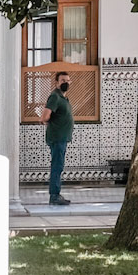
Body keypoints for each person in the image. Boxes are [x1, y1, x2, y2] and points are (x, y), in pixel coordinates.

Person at [42, 70, 75, 205]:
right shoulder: (55, 97)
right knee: (57, 166)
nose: (65, 83)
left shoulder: (63, 98)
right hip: (57, 138)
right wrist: (54, 127)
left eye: (67, 80)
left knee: (58, 166)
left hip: (61, 137)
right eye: (62, 81)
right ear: (56, 83)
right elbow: (44, 117)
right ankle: (54, 196)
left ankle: (56, 194)